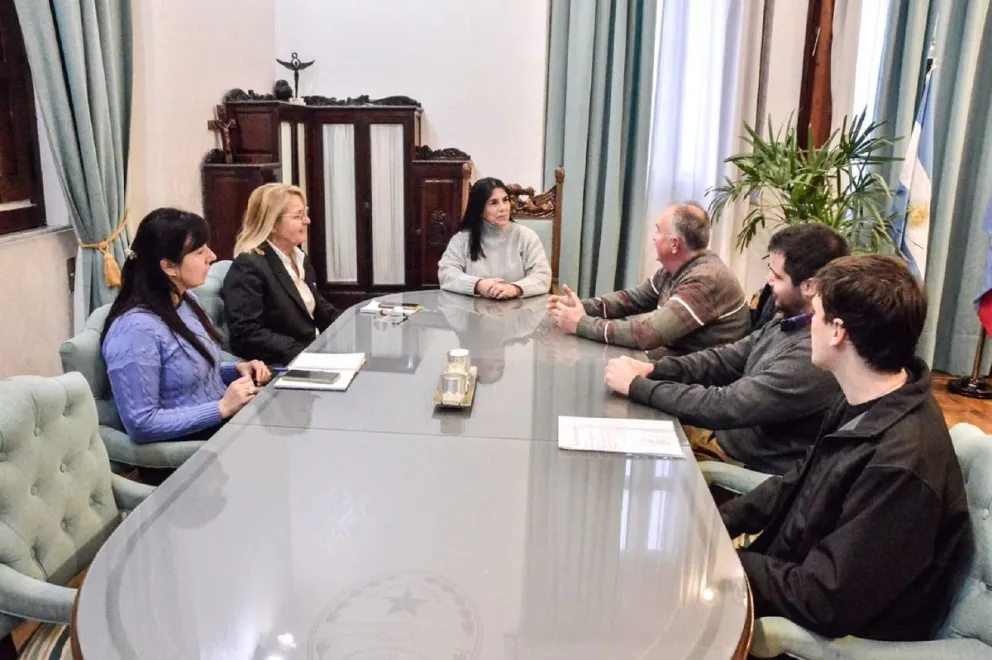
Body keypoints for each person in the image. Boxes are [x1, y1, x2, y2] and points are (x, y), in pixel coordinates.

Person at [721, 255, 970, 641]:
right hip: (785, 575)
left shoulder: (900, 465)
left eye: (815, 315)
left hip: (840, 635)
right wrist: (715, 524)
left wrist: (725, 564)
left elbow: (824, 599)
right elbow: (795, 483)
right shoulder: (863, 399)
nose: (808, 326)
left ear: (838, 331)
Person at [603, 223, 849, 474]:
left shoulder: (812, 355)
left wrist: (637, 386)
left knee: (625, 460)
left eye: (777, 276)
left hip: (740, 463)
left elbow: (725, 406)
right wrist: (652, 369)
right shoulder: (789, 323)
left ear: (810, 286)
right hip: (721, 439)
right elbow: (722, 360)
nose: (768, 280)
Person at [101, 208, 271, 444]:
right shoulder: (134, 331)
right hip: (194, 448)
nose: (212, 256)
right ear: (169, 266)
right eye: (199, 251)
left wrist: (238, 369)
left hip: (224, 427)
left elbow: (187, 376)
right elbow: (141, 424)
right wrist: (221, 408)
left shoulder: (186, 300)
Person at [548, 202, 749, 358]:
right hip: (676, 358)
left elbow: (647, 335)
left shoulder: (705, 281)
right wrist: (581, 307)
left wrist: (581, 323)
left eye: (658, 230)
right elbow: (630, 300)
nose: (654, 237)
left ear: (675, 244)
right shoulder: (674, 269)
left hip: (700, 378)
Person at [223, 183, 340, 366]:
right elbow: (247, 332)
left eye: (305, 213)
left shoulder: (299, 257)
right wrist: (303, 354)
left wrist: (355, 323)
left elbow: (320, 309)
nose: (307, 221)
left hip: (314, 352)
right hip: (283, 364)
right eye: (298, 216)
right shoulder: (248, 266)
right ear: (271, 224)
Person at [438, 177, 552, 299]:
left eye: (505, 200)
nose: (503, 208)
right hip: (472, 309)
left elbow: (542, 276)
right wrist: (478, 285)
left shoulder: (526, 237)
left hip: (519, 309)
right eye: (493, 203)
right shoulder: (462, 240)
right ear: (479, 209)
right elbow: (446, 273)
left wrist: (515, 288)